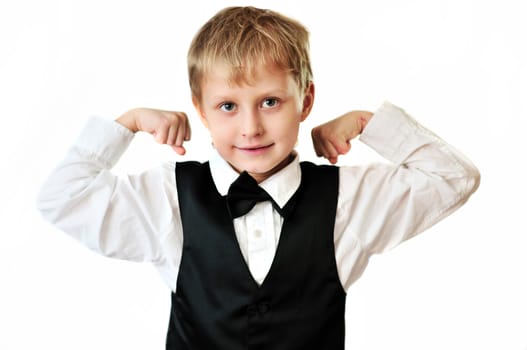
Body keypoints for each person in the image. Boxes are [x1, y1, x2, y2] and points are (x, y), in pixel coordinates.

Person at [36, 6, 480, 349]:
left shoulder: (348, 198)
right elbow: (61, 199)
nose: (250, 127)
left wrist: (370, 124)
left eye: (270, 102)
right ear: (200, 108)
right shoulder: (169, 196)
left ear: (305, 101)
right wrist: (126, 124)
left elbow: (453, 178)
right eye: (228, 106)